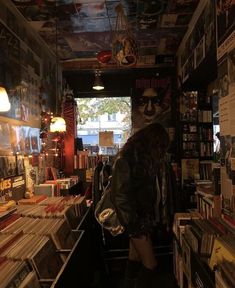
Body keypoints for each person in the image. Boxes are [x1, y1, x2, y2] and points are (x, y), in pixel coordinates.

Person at [110, 122, 176, 288]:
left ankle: (128, 284)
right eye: (160, 147)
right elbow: (120, 198)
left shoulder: (141, 161)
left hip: (139, 220)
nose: (161, 152)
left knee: (134, 258)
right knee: (150, 264)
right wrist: (134, 225)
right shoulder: (125, 161)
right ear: (151, 143)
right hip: (135, 222)